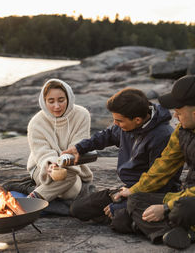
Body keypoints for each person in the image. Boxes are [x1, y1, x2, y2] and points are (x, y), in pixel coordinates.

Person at [62, 87, 182, 227]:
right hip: (125, 190)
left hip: (150, 194)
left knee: (120, 220)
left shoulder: (162, 136)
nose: (115, 124)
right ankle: (126, 215)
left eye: (119, 121)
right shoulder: (125, 124)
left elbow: (160, 182)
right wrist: (79, 148)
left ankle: (130, 215)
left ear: (137, 120)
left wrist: (125, 202)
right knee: (78, 209)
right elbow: (107, 135)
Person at [112, 75, 195, 250]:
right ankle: (174, 233)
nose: (175, 115)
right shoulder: (183, 131)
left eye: (179, 111)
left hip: (188, 203)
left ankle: (164, 226)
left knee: (185, 207)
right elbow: (163, 166)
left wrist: (165, 208)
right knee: (134, 201)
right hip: (184, 196)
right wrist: (133, 190)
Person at [26, 78, 93, 202]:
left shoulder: (82, 115)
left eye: (61, 100)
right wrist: (51, 165)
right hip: (42, 166)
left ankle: (35, 196)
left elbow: (79, 146)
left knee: (70, 191)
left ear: (69, 98)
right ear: (44, 101)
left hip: (71, 166)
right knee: (68, 183)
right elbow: (41, 151)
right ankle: (37, 198)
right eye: (51, 101)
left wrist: (63, 162)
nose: (56, 106)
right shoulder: (36, 122)